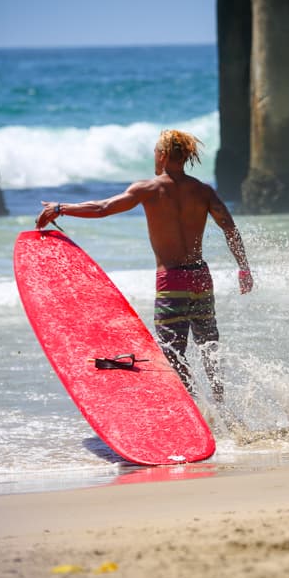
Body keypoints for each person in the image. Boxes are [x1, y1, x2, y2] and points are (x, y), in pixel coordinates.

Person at [35, 129, 253, 403]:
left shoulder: (148, 189)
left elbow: (103, 208)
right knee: (209, 346)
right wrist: (244, 268)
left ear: (161, 155)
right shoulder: (203, 191)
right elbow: (229, 228)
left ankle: (193, 411)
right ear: (186, 156)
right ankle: (220, 406)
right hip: (200, 278)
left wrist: (60, 208)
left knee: (172, 352)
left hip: (171, 281)